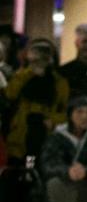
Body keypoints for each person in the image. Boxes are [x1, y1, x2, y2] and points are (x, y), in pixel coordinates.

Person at [3, 38, 69, 166]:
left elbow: (65, 111)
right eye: (36, 59)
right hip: (20, 137)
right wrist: (30, 71)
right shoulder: (21, 76)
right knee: (22, 172)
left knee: (34, 167)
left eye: (44, 59)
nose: (40, 63)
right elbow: (10, 94)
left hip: (45, 136)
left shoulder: (59, 82)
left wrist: (52, 121)